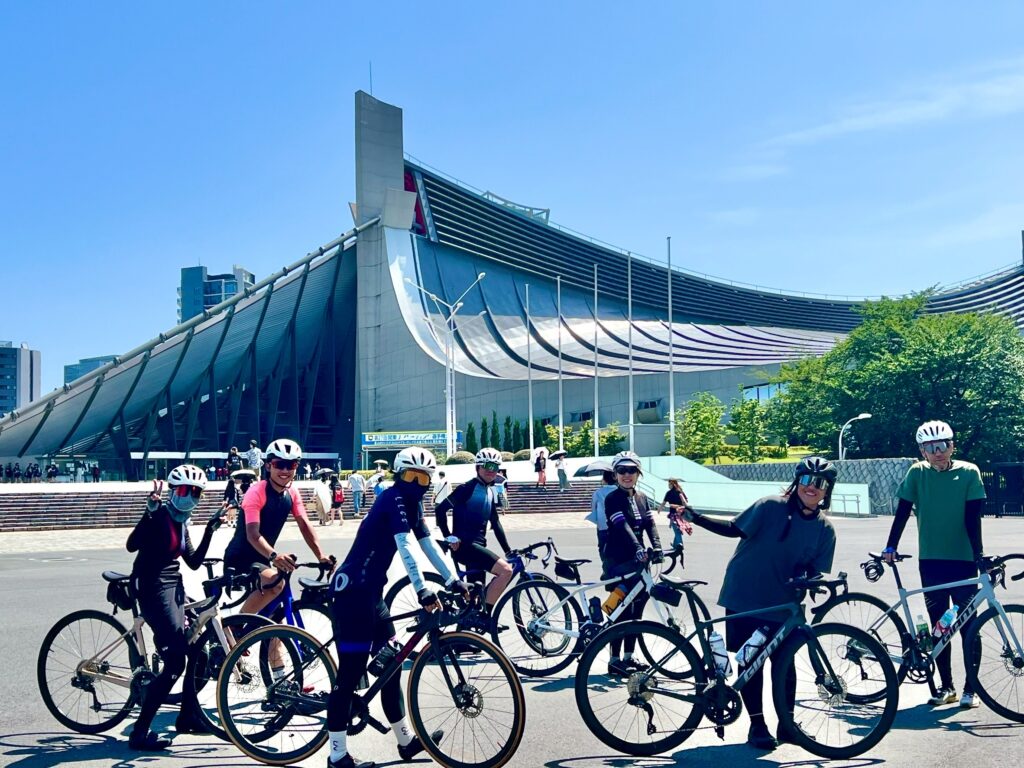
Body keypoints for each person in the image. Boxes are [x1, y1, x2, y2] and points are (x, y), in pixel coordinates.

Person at [326, 447, 469, 768]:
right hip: (352, 594)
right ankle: (336, 756)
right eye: (410, 476)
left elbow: (427, 544)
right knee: (349, 674)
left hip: (372, 595)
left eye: (423, 478)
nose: (416, 484)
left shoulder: (413, 503)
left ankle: (406, 742)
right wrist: (422, 590)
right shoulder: (391, 499)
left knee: (391, 666)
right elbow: (405, 546)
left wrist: (453, 580)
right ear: (398, 474)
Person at [685, 456, 838, 750]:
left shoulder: (825, 529)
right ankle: (757, 726)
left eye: (820, 483)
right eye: (807, 480)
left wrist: (810, 578)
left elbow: (815, 570)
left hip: (785, 605)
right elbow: (734, 529)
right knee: (751, 663)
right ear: (797, 482)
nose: (812, 487)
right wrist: (697, 518)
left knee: (785, 664)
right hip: (746, 595)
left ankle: (788, 726)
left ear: (827, 490)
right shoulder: (770, 506)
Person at [882, 420, 986, 708]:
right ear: (922, 452)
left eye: (942, 445)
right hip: (931, 561)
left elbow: (973, 519)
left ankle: (971, 689)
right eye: (930, 448)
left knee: (969, 626)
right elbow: (903, 511)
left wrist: (979, 555)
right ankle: (946, 686)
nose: (937, 452)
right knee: (940, 626)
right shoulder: (917, 473)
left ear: (952, 446)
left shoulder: (969, 472)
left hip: (964, 561)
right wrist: (891, 546)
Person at [125, 465, 225, 749]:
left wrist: (210, 530)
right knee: (176, 661)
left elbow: (192, 561)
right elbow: (132, 545)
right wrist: (148, 512)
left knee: (198, 650)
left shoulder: (182, 521)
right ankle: (139, 733)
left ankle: (187, 716)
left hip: (173, 586)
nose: (189, 496)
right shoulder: (160, 515)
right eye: (183, 490)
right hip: (152, 587)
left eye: (196, 493)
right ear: (172, 491)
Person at [223, 438, 332, 618]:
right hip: (240, 559)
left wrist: (321, 556)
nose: (285, 470)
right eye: (279, 464)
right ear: (268, 466)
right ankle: (235, 625)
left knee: (274, 616)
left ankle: (268, 635)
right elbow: (252, 534)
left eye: (291, 465)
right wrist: (274, 556)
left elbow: (304, 525)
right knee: (276, 584)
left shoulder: (292, 492)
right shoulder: (256, 492)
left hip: (263, 559)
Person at [435, 447, 514, 623]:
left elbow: (496, 523)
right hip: (465, 546)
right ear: (477, 467)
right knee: (506, 571)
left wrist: (508, 551)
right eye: (486, 466)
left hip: (478, 547)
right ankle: (485, 617)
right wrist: (449, 537)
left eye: (495, 467)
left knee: (475, 597)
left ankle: (467, 630)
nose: (491, 470)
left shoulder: (489, 491)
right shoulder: (467, 488)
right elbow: (440, 510)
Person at [601, 451, 662, 676]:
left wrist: (657, 547)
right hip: (618, 560)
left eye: (632, 470)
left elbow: (650, 524)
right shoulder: (612, 498)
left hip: (639, 562)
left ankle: (629, 657)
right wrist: (637, 547)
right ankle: (614, 660)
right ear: (615, 474)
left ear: (638, 474)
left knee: (637, 611)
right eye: (622, 470)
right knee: (621, 610)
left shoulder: (642, 497)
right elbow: (621, 526)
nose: (627, 475)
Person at [584, 468, 617, 576]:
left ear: (604, 479)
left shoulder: (598, 493)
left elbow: (593, 508)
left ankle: (606, 567)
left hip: (602, 524)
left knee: (602, 547)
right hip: (618, 524)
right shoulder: (619, 491)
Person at [658, 478, 693, 550]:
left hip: (674, 515)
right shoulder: (680, 492)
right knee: (678, 530)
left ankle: (680, 545)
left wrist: (659, 509)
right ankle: (675, 545)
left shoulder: (669, 493)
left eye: (669, 484)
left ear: (672, 484)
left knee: (677, 530)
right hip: (682, 514)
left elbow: (663, 503)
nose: (668, 486)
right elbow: (685, 501)